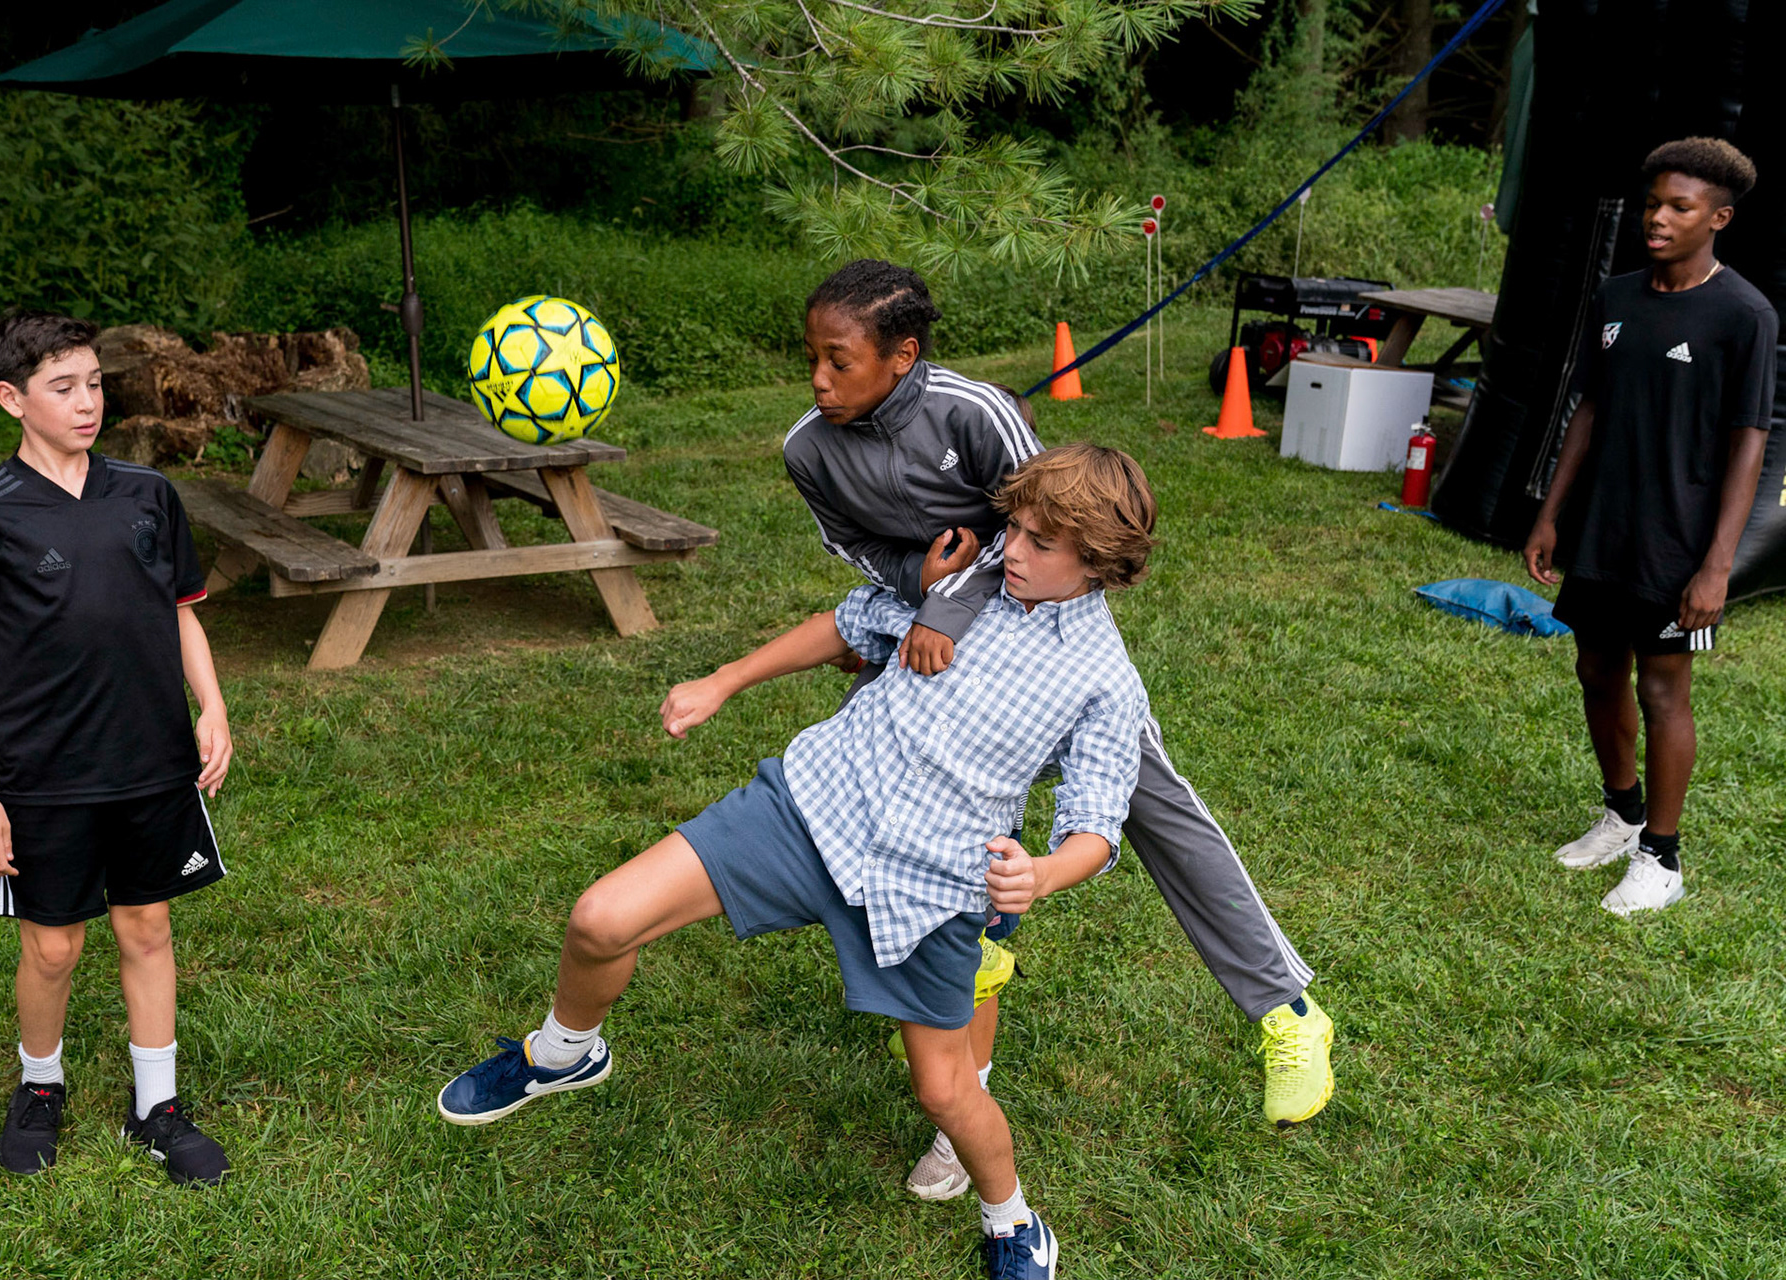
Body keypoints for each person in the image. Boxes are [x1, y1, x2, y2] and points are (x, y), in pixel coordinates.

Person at [439, 443, 1159, 1280]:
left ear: (1100, 564)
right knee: (601, 918)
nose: (1015, 548)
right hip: (812, 806)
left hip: (927, 885)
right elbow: (850, 625)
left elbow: (1097, 827)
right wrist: (723, 680)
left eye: (1041, 542)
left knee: (945, 1091)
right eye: (1019, 526)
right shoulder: (970, 573)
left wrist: (1042, 874)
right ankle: (563, 1053)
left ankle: (1014, 1222)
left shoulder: (1107, 682)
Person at [776, 259, 1334, 1137]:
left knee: (1150, 815)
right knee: (938, 792)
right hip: (943, 631)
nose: (819, 379)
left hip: (1044, 624)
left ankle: (1287, 1012)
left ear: (902, 354)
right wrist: (920, 595)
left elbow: (1056, 521)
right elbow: (858, 554)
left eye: (838, 360)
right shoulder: (809, 447)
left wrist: (950, 606)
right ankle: (970, 965)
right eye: (813, 359)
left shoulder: (975, 412)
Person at [0, 311, 235, 1184]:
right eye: (63, 388)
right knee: (52, 946)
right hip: (45, 771)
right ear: (11, 399)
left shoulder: (147, 493)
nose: (87, 401)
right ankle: (41, 1085)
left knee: (148, 925)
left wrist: (210, 707)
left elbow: (182, 612)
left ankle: (157, 1105)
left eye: (94, 382)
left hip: (152, 761)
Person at [1525, 137, 1777, 915]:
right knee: (1597, 670)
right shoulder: (1616, 296)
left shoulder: (1745, 313)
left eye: (1679, 207)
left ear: (1719, 218)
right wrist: (1549, 514)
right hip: (1605, 526)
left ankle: (1661, 859)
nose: (1657, 218)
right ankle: (1621, 813)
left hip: (1679, 542)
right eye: (1652, 204)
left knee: (1663, 689)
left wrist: (1717, 565)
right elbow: (1589, 410)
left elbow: (1749, 442)